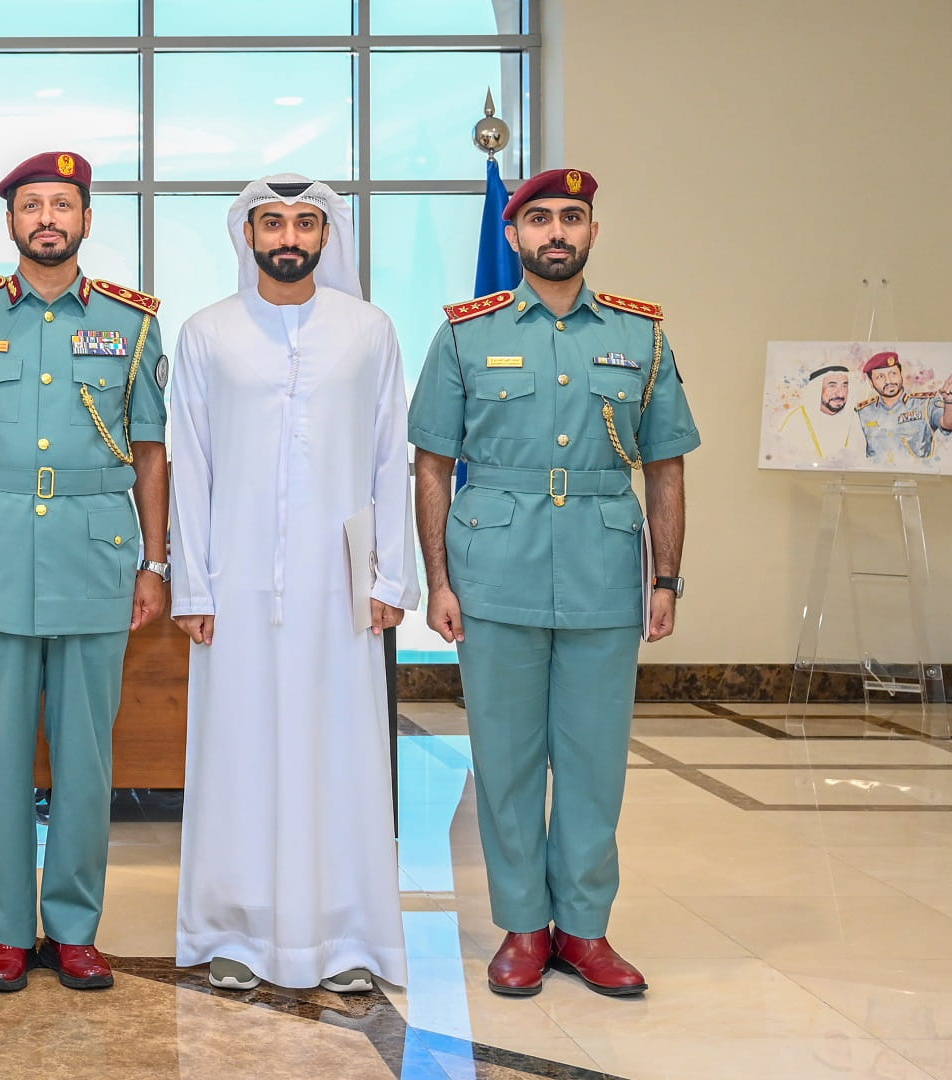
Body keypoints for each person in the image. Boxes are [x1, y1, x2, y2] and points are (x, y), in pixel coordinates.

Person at [408, 168, 700, 998]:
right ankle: (523, 927)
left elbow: (666, 464)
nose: (556, 231)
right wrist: (438, 579)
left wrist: (667, 576)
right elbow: (432, 464)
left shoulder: (641, 338)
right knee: (505, 758)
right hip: (493, 569)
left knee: (594, 759)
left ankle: (585, 929)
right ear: (514, 237)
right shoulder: (467, 334)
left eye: (572, 216)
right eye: (539, 218)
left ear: (593, 232)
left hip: (606, 570)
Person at [168, 174, 420, 994]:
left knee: (339, 754)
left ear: (325, 236)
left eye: (305, 222)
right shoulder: (207, 333)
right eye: (272, 221)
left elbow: (392, 459)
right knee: (238, 756)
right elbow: (191, 467)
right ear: (247, 234)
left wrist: (392, 574)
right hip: (236, 587)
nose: (288, 235)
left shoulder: (369, 331)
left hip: (340, 591)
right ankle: (236, 933)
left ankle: (345, 939)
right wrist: (194, 587)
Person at [0, 150, 170, 993]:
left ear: (86, 220)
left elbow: (150, 450)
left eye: (62, 205)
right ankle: (3, 930)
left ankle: (72, 928)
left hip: (96, 556)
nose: (47, 219)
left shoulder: (134, 324)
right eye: (32, 205)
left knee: (85, 760)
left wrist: (156, 559)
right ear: (11, 222)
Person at [856, 350, 952, 460]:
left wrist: (951, 402)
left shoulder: (925, 403)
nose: (888, 381)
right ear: (870, 382)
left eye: (893, 373)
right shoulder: (863, 412)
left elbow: (949, 424)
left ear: (900, 374)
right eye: (880, 377)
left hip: (918, 475)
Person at [775, 364, 856, 464]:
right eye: (832, 386)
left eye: (844, 386)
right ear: (817, 389)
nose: (840, 394)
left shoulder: (854, 419)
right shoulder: (795, 421)